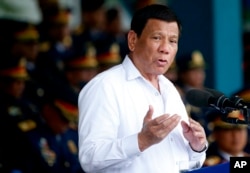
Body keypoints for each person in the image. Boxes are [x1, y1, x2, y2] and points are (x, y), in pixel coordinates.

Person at [78, 4, 207, 173]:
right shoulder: (105, 86)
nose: (165, 48)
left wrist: (196, 148)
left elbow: (180, 163)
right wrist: (141, 141)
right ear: (133, 40)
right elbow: (90, 158)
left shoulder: (170, 89)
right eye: (156, 38)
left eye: (173, 41)